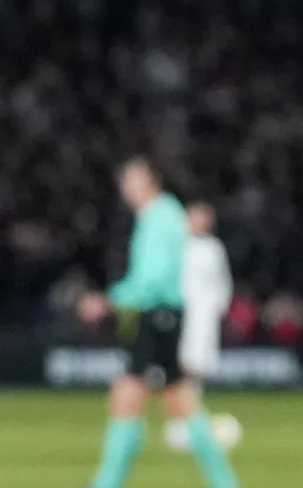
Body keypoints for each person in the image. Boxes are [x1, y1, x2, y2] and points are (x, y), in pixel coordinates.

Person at [76, 158, 241, 488]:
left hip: (157, 315)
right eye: (125, 181)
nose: (127, 187)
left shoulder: (161, 217)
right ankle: (224, 483)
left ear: (152, 181)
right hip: (156, 316)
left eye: (133, 179)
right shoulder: (157, 216)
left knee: (135, 393)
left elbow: (151, 278)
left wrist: (109, 300)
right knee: (169, 397)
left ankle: (106, 483)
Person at [165, 201, 233, 453]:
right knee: (180, 367)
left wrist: (218, 309)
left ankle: (190, 421)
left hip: (204, 316)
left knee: (197, 368)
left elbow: (222, 282)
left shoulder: (214, 248)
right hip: (180, 313)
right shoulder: (177, 245)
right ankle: (179, 423)